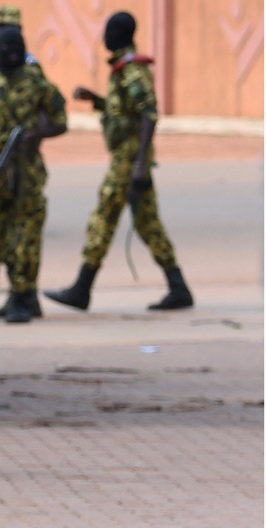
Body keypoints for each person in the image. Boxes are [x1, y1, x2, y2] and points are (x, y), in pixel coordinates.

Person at [44, 11, 194, 312]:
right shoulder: (123, 70)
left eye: (110, 31)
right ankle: (178, 287)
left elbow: (149, 114)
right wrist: (97, 100)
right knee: (148, 224)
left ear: (121, 35)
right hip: (129, 160)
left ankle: (82, 289)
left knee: (103, 219)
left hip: (128, 161)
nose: (105, 37)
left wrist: (139, 164)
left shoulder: (132, 71)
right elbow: (124, 111)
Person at [0, 27, 67, 324]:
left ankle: (21, 300)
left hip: (28, 175)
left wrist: (35, 135)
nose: (13, 54)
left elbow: (60, 120)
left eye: (17, 49)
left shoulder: (37, 84)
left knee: (25, 241)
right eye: (7, 49)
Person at [0, 5, 47, 320]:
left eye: (9, 27)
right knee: (4, 233)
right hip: (1, 166)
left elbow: (45, 112)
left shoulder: (30, 69)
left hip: (25, 166)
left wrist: (31, 139)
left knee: (25, 235)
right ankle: (18, 297)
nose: (3, 32)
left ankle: (25, 297)